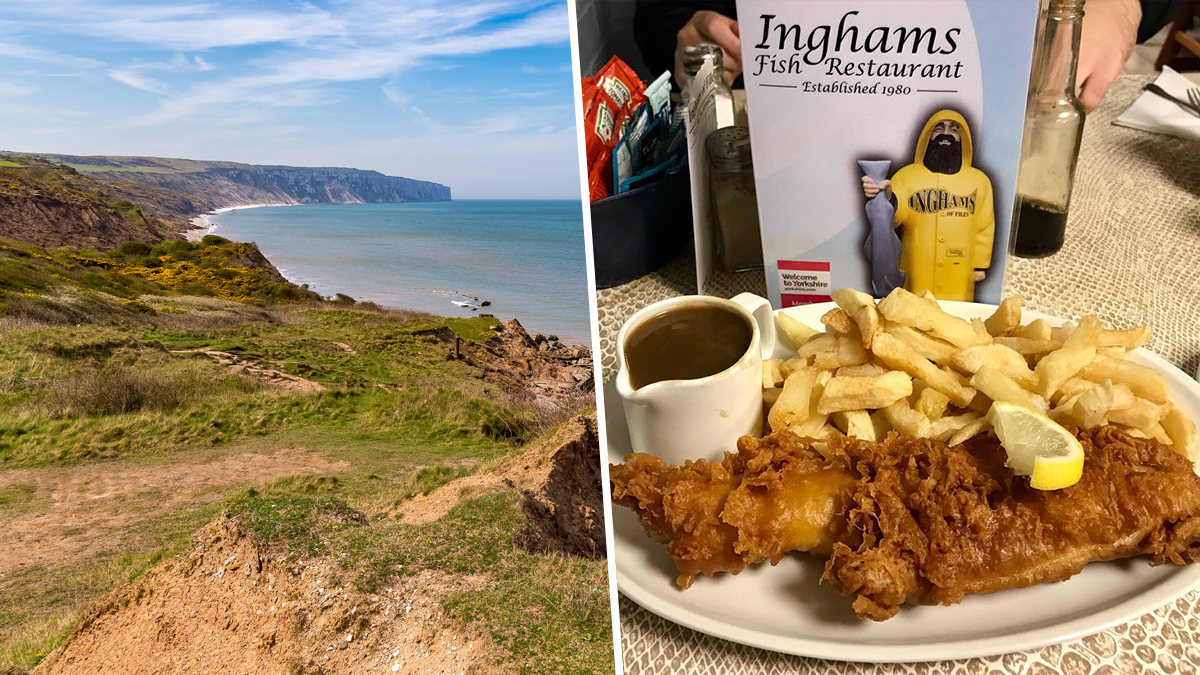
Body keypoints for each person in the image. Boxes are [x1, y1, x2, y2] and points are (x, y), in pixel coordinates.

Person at [634, 0, 1189, 111]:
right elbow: (660, 14)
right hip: (790, 132)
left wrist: (1127, 4)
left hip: (1012, 115)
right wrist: (687, 29)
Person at [860, 111, 995, 302]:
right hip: (917, 262)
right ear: (927, 136)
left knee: (955, 314)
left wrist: (980, 265)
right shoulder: (906, 176)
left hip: (959, 266)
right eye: (938, 128)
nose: (946, 133)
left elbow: (985, 226)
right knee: (913, 311)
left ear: (963, 137)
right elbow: (895, 219)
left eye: (954, 129)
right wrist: (885, 196)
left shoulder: (979, 180)